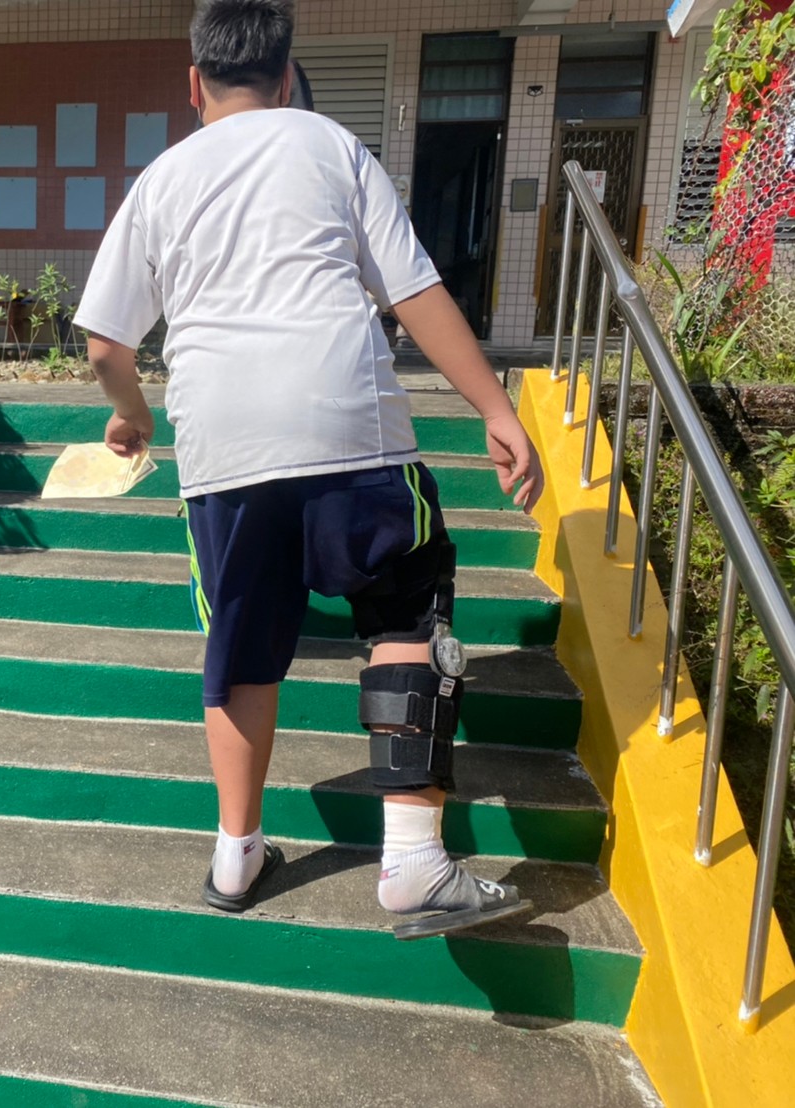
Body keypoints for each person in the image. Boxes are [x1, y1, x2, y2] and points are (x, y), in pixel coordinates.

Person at [71, 0, 544, 940]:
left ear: (194, 83)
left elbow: (103, 345)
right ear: (286, 77)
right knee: (406, 608)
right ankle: (413, 861)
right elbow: (412, 288)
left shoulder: (161, 179)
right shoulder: (331, 146)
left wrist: (131, 415)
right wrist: (496, 409)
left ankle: (236, 854)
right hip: (348, 425)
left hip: (224, 451)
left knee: (240, 644)